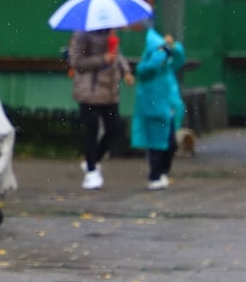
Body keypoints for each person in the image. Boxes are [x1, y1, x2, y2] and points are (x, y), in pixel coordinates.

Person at [68, 28, 134, 189]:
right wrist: (102, 59)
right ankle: (91, 172)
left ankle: (93, 160)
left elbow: (117, 55)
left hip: (110, 91)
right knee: (91, 131)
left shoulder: (110, 34)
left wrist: (126, 71)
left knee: (114, 129)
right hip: (89, 91)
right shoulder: (81, 34)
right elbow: (77, 62)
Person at [130, 22, 186, 190]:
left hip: (167, 106)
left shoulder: (166, 67)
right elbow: (144, 69)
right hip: (153, 106)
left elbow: (179, 59)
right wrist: (161, 54)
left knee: (169, 144)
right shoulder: (149, 66)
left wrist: (174, 47)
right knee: (156, 142)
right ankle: (155, 175)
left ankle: (162, 172)